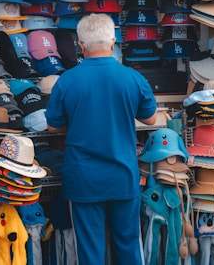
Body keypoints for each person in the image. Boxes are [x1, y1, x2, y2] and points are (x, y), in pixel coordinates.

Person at [46, 13, 157, 265]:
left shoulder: (66, 81)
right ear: (113, 41)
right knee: (129, 245)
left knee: (90, 250)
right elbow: (150, 119)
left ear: (81, 45)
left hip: (83, 178)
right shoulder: (133, 78)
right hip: (123, 174)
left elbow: (53, 127)